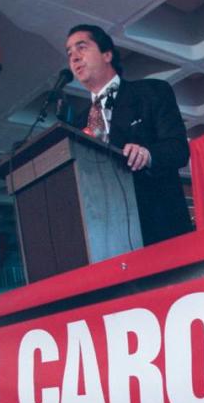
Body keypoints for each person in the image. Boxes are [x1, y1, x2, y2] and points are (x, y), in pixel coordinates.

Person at [65, 24, 193, 246]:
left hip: (160, 230)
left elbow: (178, 150)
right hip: (108, 240)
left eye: (81, 47)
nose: (74, 58)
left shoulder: (151, 92)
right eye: (69, 54)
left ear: (107, 54)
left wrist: (147, 153)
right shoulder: (77, 124)